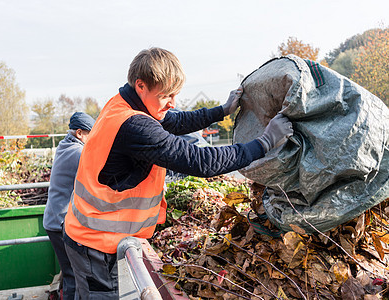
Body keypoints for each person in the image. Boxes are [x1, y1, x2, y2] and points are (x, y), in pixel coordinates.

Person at [63, 47, 293, 299]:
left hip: (87, 232)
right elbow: (201, 161)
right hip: (96, 242)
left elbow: (175, 120)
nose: (172, 102)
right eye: (166, 95)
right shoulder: (135, 125)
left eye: (175, 94)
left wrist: (222, 111)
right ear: (141, 85)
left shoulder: (123, 104)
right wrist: (264, 142)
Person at [43, 112, 95, 300]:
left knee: (69, 272)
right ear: (80, 133)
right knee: (73, 274)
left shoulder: (64, 145)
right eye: (91, 134)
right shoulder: (77, 152)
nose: (93, 139)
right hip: (60, 223)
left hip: (54, 219)